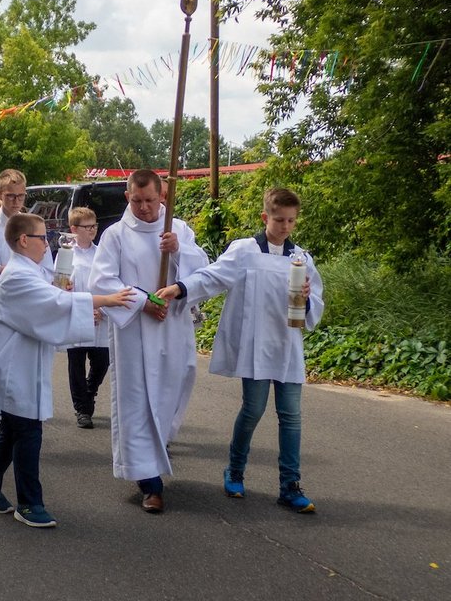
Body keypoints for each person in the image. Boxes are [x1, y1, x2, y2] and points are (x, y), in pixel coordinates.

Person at [156, 188, 325, 513]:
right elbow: (213, 276)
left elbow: (315, 300)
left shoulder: (300, 258)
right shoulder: (245, 251)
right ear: (265, 218)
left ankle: (290, 485)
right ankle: (235, 470)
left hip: (287, 346)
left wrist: (306, 299)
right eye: (279, 220)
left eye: (291, 220)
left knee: (291, 417)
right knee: (253, 410)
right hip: (256, 347)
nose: (285, 226)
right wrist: (181, 288)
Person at [0, 213, 133, 528]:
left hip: (23, 363)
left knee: (16, 427)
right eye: (43, 237)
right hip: (12, 366)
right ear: (24, 240)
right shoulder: (17, 275)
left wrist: (79, 306)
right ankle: (29, 503)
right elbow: (52, 304)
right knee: (28, 429)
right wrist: (104, 300)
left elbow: (54, 300)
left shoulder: (31, 270)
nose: (48, 243)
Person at [88, 169, 208, 514]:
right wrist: (144, 302)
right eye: (137, 201)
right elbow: (102, 281)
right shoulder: (115, 236)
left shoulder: (178, 229)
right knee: (137, 402)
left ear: (162, 198)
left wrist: (180, 250)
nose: (144, 208)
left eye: (150, 201)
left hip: (173, 327)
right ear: (128, 197)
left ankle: (158, 449)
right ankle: (149, 483)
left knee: (176, 386)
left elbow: (203, 272)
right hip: (135, 334)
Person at [0, 168, 54, 455]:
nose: (16, 201)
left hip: (28, 309)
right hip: (0, 306)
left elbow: (47, 264)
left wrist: (52, 280)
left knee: (23, 368)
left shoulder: (33, 224)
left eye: (20, 196)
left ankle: (17, 424)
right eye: (10, 196)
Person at [65, 206, 110, 429]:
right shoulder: (66, 255)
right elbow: (60, 287)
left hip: (100, 315)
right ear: (74, 229)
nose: (92, 230)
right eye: (87, 226)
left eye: (94, 225)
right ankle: (82, 409)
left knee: (102, 361)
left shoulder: (102, 253)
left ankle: (90, 391)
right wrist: (83, 310)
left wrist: (102, 309)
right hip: (76, 316)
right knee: (76, 363)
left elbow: (109, 282)